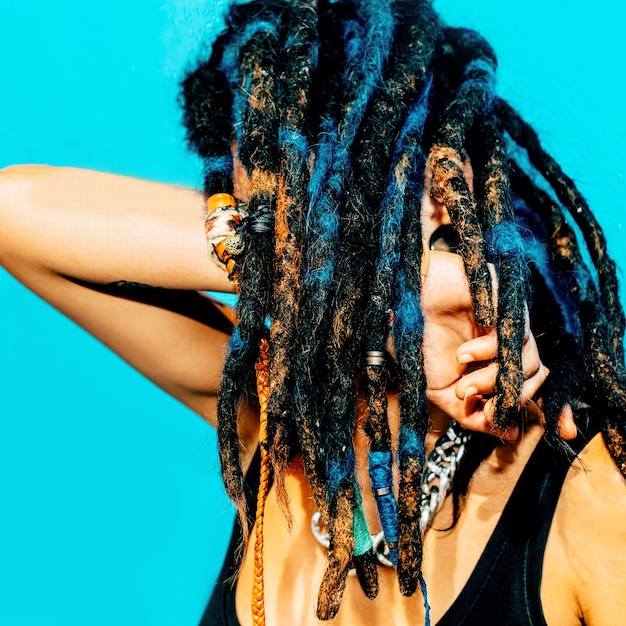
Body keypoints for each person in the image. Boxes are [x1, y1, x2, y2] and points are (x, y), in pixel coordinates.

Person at [1, 2, 625, 626]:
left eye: (309, 213)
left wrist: (380, 283)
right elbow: (14, 212)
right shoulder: (271, 427)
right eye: (254, 231)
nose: (268, 256)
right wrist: (354, 284)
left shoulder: (586, 500)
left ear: (448, 190)